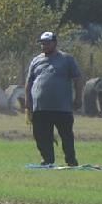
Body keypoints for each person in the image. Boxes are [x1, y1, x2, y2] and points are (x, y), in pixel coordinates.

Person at [25, 30, 82, 167]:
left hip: (62, 107)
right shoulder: (36, 60)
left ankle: (71, 160)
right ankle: (47, 159)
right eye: (42, 43)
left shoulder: (67, 59)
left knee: (66, 135)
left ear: (55, 43)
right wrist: (28, 102)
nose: (44, 46)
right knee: (41, 135)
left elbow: (78, 79)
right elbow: (29, 82)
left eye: (47, 43)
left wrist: (78, 98)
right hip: (40, 107)